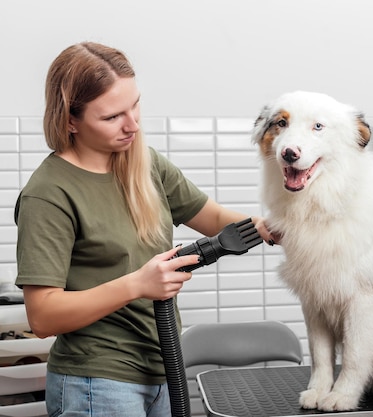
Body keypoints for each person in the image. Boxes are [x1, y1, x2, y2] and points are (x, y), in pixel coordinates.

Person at [14, 42, 275, 417]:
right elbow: (43, 317)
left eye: (135, 105)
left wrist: (268, 226)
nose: (133, 124)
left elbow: (213, 217)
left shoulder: (146, 164)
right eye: (112, 116)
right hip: (97, 382)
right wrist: (137, 285)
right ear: (70, 120)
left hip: (163, 372)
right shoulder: (49, 194)